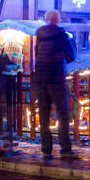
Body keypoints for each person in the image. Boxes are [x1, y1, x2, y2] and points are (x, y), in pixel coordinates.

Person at [32, 9, 76, 158]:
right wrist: (62, 60)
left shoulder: (39, 34)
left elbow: (36, 53)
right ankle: (65, 148)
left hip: (40, 79)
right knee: (62, 113)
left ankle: (46, 148)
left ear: (46, 19)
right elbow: (72, 55)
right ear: (57, 19)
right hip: (56, 77)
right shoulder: (61, 35)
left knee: (43, 114)